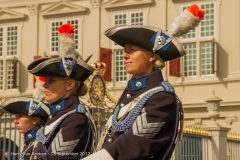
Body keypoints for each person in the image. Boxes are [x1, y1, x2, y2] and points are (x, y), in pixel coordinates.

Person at [82, 4, 204, 160]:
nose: (124, 55)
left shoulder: (162, 98)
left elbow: (131, 146)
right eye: (125, 50)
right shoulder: (133, 93)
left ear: (151, 56)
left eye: (132, 50)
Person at [27, 23, 95, 160]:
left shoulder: (75, 119)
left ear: (70, 84)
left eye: (51, 80)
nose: (44, 85)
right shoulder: (57, 116)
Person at [0, 77, 49, 160]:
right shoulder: (30, 144)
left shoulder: (39, 145)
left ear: (35, 120)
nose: (15, 121)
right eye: (16, 116)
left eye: (20, 116)